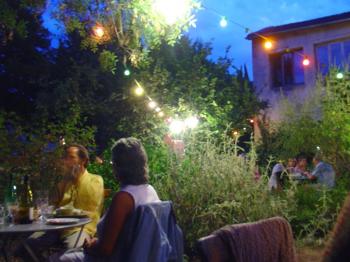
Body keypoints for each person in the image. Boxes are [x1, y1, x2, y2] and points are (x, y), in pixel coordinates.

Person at [50, 137, 161, 261]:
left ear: (119, 166)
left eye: (113, 162)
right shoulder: (150, 190)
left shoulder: (124, 198)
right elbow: (125, 235)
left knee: (60, 259)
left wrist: (91, 245)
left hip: (119, 258)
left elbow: (104, 250)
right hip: (137, 254)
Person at [15, 144, 104, 261]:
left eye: (71, 157)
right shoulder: (65, 182)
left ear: (83, 161)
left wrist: (75, 179)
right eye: (65, 157)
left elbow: (91, 211)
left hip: (80, 228)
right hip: (56, 229)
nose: (66, 161)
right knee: (25, 247)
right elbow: (50, 206)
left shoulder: (95, 180)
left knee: (69, 253)